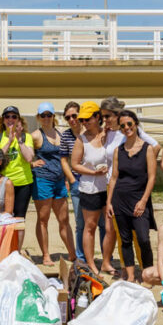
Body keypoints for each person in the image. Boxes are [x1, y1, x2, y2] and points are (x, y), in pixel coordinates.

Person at [106, 110, 157, 282]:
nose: (126, 128)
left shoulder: (147, 149)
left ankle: (148, 275)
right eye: (123, 126)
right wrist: (109, 202)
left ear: (135, 124)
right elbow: (114, 178)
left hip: (139, 200)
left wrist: (143, 201)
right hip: (120, 200)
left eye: (129, 124)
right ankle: (130, 276)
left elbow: (152, 178)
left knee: (143, 239)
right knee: (125, 240)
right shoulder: (118, 151)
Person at [71, 101, 117, 278]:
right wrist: (93, 172)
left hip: (109, 188)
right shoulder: (81, 140)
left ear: (97, 117)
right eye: (82, 119)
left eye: (87, 118)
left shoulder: (109, 135)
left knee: (109, 227)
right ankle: (90, 263)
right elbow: (74, 164)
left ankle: (106, 261)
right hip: (90, 188)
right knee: (89, 227)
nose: (84, 122)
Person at [31, 102, 75, 265]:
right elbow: (24, 154)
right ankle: (46, 255)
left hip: (59, 181)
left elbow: (64, 159)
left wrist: (66, 178)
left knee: (64, 219)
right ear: (39, 117)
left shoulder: (60, 134)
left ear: (53, 117)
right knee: (43, 219)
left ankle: (72, 254)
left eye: (49, 115)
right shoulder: (36, 135)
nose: (46, 118)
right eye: (43, 115)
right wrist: (32, 164)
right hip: (43, 180)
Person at [60, 101, 103, 264]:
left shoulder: (94, 132)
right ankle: (82, 257)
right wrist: (72, 180)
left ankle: (105, 257)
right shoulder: (66, 135)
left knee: (103, 223)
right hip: (78, 182)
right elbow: (64, 160)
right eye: (68, 117)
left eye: (74, 116)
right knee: (80, 222)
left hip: (99, 182)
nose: (72, 119)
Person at [0, 106, 36, 222]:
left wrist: (19, 140)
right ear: (3, 120)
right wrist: (9, 141)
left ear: (19, 120)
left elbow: (29, 158)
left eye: (14, 116)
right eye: (7, 116)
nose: (10, 119)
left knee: (19, 219)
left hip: (23, 183)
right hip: (3, 183)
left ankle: (17, 241)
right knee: (3, 218)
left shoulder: (26, 137)